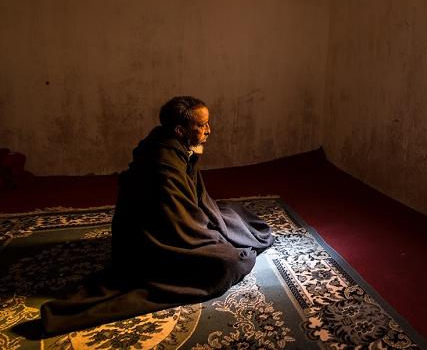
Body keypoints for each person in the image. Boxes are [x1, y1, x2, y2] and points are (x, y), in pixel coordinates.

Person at [41, 96, 274, 334]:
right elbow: (178, 223)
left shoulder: (175, 145)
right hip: (153, 240)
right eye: (202, 125)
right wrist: (211, 236)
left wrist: (209, 221)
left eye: (207, 123)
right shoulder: (163, 162)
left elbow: (193, 198)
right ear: (180, 129)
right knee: (229, 262)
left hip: (173, 220)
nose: (208, 130)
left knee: (234, 214)